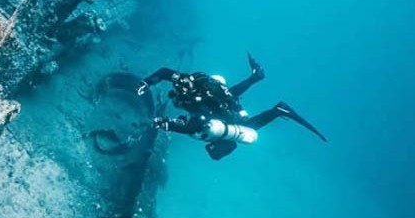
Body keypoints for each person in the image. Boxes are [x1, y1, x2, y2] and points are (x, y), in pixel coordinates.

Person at [137, 54, 327, 160]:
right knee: (244, 125)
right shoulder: (202, 88)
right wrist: (145, 85)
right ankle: (274, 107)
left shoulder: (196, 96)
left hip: (224, 118)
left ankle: (276, 110)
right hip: (226, 111)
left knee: (226, 134)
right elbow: (231, 93)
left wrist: (162, 123)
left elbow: (192, 126)